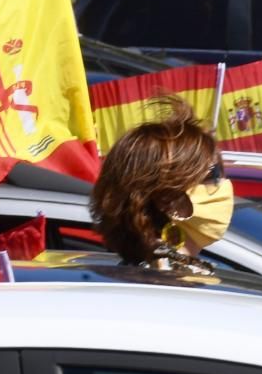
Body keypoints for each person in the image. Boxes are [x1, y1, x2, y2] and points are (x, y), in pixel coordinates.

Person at [90, 96, 233, 274]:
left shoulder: (146, 278)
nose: (225, 182)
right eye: (214, 173)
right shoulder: (169, 290)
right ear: (168, 201)